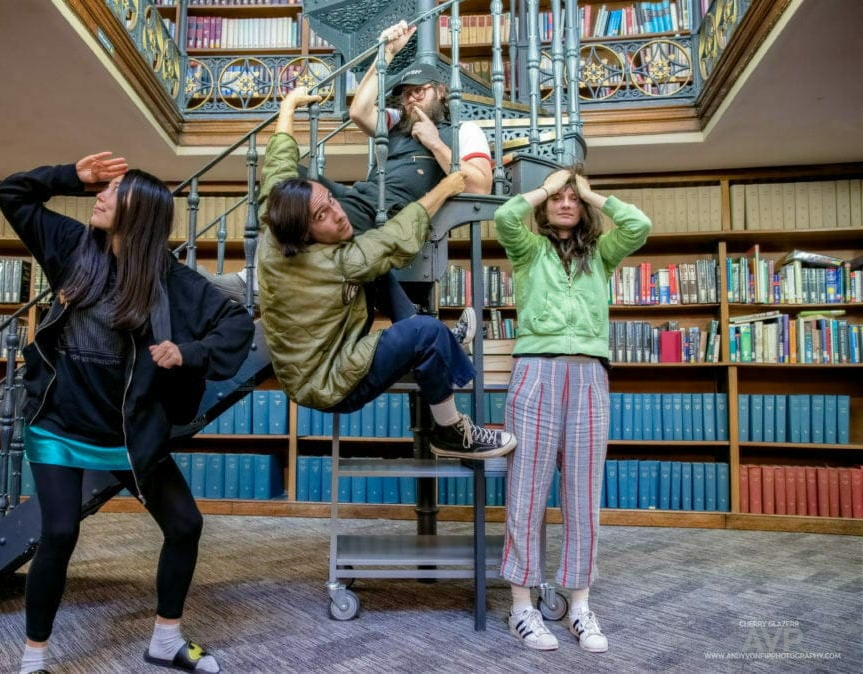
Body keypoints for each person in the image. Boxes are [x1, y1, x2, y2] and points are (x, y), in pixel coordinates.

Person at [0, 154, 254, 674]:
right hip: (59, 426)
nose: (101, 196)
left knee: (185, 525)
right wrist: (71, 175)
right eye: (102, 190)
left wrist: (187, 353)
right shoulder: (71, 249)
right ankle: (33, 657)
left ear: (141, 215)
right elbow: (11, 193)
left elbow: (235, 325)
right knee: (61, 533)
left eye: (115, 192)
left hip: (129, 433)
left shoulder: (172, 283)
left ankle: (165, 641)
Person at [255, 86, 516, 460]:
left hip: (309, 365)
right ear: (303, 233)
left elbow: (278, 161)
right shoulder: (340, 261)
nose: (338, 213)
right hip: (331, 383)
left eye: (331, 201)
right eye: (322, 216)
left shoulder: (274, 213)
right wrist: (447, 185)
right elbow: (395, 238)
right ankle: (450, 432)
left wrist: (288, 105)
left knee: (383, 283)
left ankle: (441, 342)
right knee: (424, 332)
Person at [209, 19, 492, 334]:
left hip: (390, 214)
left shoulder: (463, 131)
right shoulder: (397, 122)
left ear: (440, 91)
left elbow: (481, 185)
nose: (411, 99)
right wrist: (385, 54)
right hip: (359, 199)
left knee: (358, 254)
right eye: (406, 94)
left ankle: (258, 279)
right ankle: (259, 275)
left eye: (420, 92)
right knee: (292, 183)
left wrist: (435, 143)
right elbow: (359, 111)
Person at [493, 168, 651, 653]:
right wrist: (545, 188)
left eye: (571, 199)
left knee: (584, 494)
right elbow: (504, 215)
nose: (565, 203)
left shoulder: (601, 256)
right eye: (557, 198)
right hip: (536, 373)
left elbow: (638, 225)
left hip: (589, 376)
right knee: (526, 491)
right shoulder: (529, 249)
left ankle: (578, 603)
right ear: (544, 207)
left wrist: (589, 193)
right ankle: (522, 604)